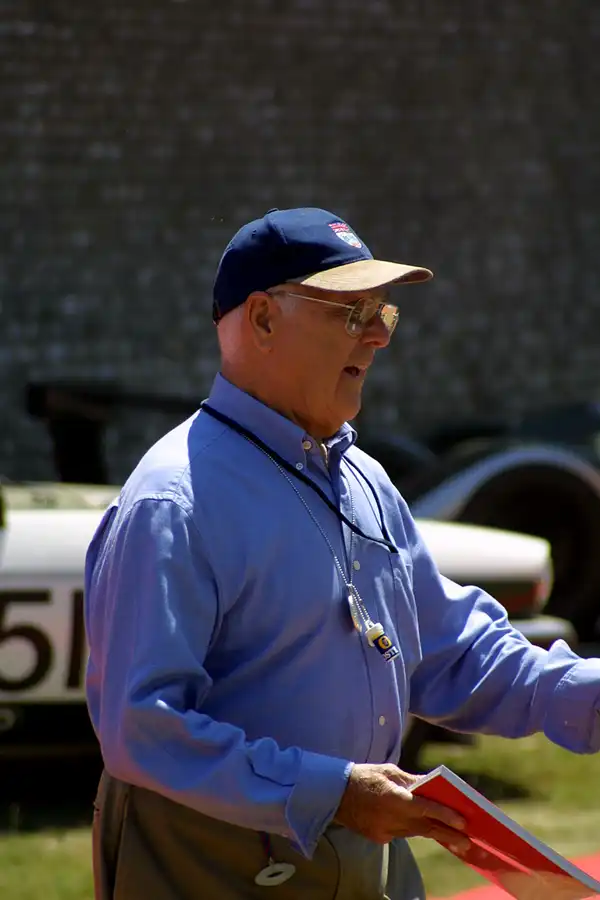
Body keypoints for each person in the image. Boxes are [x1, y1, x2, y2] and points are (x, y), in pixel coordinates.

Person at [85, 207, 600, 900]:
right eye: (350, 314)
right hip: (216, 868)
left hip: (354, 860)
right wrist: (333, 791)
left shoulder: (362, 478)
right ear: (263, 320)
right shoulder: (174, 500)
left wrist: (586, 696)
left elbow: (454, 653)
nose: (377, 339)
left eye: (381, 315)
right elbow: (141, 727)